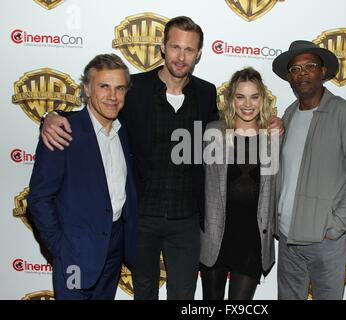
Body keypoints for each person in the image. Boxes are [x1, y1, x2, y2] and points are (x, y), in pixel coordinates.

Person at [40, 16, 283, 300]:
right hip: (141, 217)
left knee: (183, 295)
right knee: (144, 292)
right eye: (175, 47)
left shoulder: (205, 94)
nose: (181, 57)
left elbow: (237, 126)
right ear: (162, 48)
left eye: (189, 50)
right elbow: (100, 110)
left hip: (187, 220)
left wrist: (273, 122)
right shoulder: (135, 89)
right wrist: (50, 117)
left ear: (199, 54)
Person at [27, 53, 138, 300]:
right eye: (104, 87)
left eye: (119, 88)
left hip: (113, 251)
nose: (112, 96)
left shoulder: (123, 132)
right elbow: (39, 198)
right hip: (75, 255)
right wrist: (61, 248)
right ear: (87, 89)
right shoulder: (63, 131)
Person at [272, 40, 346, 300]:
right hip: (286, 237)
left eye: (310, 66)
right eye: (295, 69)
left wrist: (335, 226)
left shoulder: (343, 114)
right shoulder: (290, 114)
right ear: (289, 78)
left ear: (323, 71)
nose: (302, 73)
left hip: (324, 240)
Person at [200, 67, 278, 300]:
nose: (247, 104)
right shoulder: (213, 133)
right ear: (231, 99)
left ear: (262, 99)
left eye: (254, 97)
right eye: (240, 96)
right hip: (216, 237)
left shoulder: (273, 137)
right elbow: (199, 180)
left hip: (252, 240)